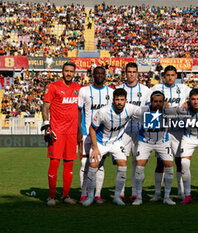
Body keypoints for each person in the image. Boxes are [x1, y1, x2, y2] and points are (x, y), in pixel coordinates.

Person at [83, 88, 141, 206]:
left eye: (122, 100)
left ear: (126, 100)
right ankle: (90, 196)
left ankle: (117, 196)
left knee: (123, 164)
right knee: (93, 165)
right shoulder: (103, 112)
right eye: (117, 100)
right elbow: (92, 128)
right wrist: (95, 148)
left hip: (116, 142)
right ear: (113, 100)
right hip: (100, 142)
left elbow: (146, 111)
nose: (119, 102)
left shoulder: (131, 109)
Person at [41, 62, 81, 206]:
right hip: (57, 131)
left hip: (71, 133)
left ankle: (66, 196)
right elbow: (45, 106)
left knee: (69, 164)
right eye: (66, 71)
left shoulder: (78, 88)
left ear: (74, 73)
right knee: (54, 162)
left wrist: (79, 130)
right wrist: (46, 124)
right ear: (62, 72)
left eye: (71, 71)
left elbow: (80, 110)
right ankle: (51, 197)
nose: (69, 73)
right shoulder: (53, 86)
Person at [150, 65, 191, 201]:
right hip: (163, 130)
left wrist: (188, 102)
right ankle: (157, 193)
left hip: (179, 129)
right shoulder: (156, 89)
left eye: (173, 75)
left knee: (179, 161)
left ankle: (181, 192)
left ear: (176, 76)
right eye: (167, 75)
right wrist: (160, 105)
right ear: (163, 76)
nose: (170, 77)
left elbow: (197, 97)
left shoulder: (184, 88)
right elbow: (147, 103)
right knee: (160, 162)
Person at [78, 66, 114, 204]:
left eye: (102, 73)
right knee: (84, 163)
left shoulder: (111, 92)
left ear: (105, 75)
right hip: (86, 133)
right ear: (93, 75)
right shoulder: (84, 90)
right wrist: (79, 130)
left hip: (102, 136)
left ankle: (97, 194)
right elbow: (79, 111)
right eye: (97, 73)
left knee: (99, 165)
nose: (99, 75)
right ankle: (83, 193)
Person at [133, 91, 176, 205]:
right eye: (155, 101)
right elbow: (129, 112)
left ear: (164, 102)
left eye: (160, 101)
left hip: (163, 141)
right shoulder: (142, 110)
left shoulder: (169, 111)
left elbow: (183, 111)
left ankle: (166, 196)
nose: (157, 104)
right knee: (139, 165)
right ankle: (139, 197)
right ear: (151, 101)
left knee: (169, 165)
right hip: (145, 141)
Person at [116, 62, 151, 201]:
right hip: (123, 131)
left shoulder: (146, 90)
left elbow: (149, 111)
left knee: (138, 163)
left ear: (137, 73)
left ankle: (136, 192)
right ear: (125, 73)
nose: (131, 74)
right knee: (122, 162)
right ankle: (121, 193)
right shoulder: (118, 89)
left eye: (133, 72)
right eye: (129, 72)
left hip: (140, 131)